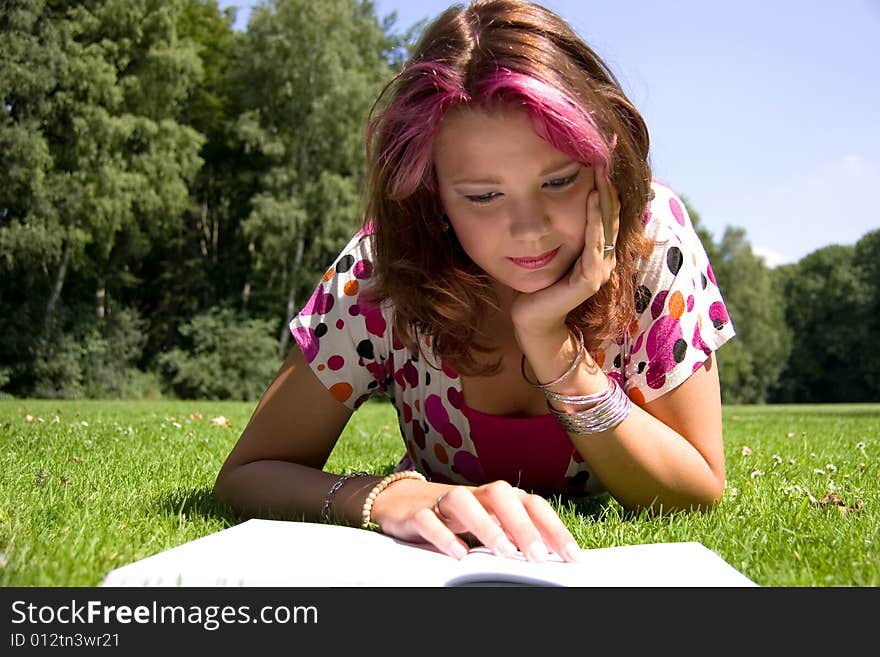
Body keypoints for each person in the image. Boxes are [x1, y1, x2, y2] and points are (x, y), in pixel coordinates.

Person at [214, 0, 735, 564]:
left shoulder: (652, 241)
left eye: (559, 181)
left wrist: (553, 348)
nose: (530, 230)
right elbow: (249, 474)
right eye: (483, 196)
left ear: (606, 163)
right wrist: (392, 497)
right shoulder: (382, 270)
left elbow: (695, 492)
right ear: (431, 193)